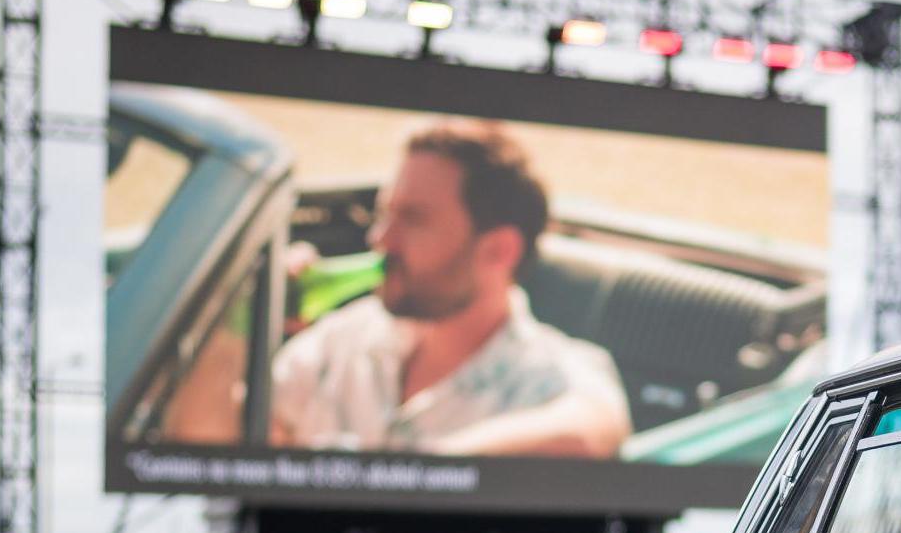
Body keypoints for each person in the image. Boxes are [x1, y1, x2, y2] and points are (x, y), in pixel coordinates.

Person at [268, 122, 632, 459]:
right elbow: (238, 433)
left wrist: (396, 484)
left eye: (414, 219)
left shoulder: (554, 375)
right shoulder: (341, 338)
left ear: (499, 250)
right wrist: (237, 324)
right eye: (383, 215)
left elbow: (590, 433)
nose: (380, 239)